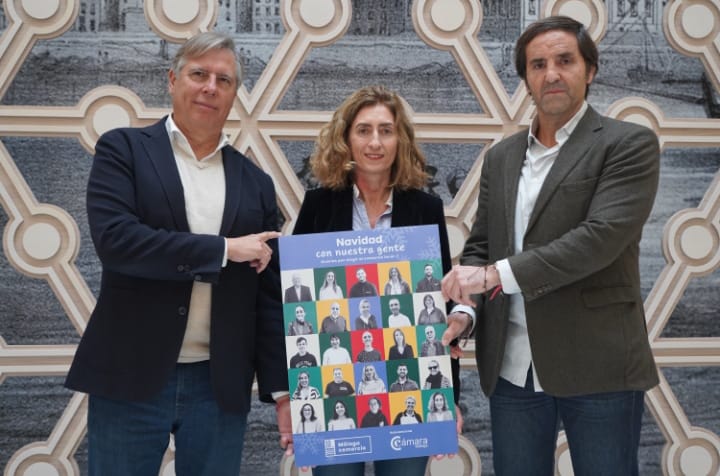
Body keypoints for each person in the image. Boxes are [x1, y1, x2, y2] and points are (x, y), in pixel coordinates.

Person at [440, 16, 660, 476]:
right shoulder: (501, 157)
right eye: (537, 65)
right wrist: (468, 312)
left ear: (590, 70)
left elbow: (598, 239)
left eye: (565, 60)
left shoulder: (628, 144)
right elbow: (481, 244)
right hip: (512, 368)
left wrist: (494, 275)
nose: (551, 74)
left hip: (599, 365)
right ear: (525, 78)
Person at [64, 32, 291, 475]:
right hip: (131, 373)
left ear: (234, 95)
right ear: (172, 80)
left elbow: (267, 299)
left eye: (223, 80)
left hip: (219, 383)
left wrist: (282, 392)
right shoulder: (123, 150)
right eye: (199, 74)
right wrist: (225, 249)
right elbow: (118, 242)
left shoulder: (256, 183)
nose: (210, 87)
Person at [292, 85, 454, 475]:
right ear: (346, 138)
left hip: (410, 394)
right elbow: (297, 302)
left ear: (401, 139)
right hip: (333, 396)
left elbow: (440, 306)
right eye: (364, 130)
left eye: (386, 130)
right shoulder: (319, 205)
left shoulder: (426, 208)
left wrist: (447, 403)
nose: (375, 142)